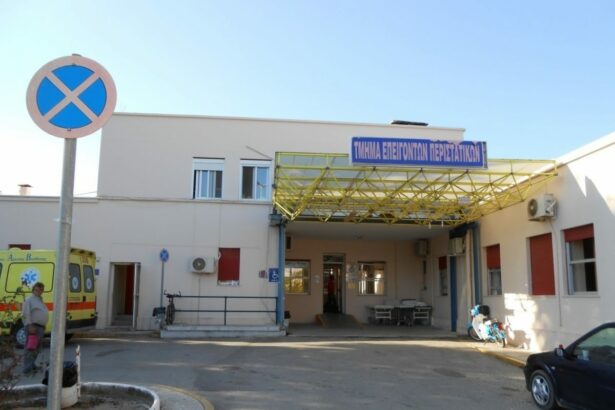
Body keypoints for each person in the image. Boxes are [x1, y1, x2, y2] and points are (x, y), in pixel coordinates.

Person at [22, 281, 49, 374]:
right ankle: (27, 368)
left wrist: (43, 324)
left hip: (39, 327)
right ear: (33, 290)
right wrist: (30, 325)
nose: (39, 291)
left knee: (36, 347)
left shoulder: (39, 300)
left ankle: (32, 364)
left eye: (41, 290)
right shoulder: (29, 299)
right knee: (30, 348)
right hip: (33, 327)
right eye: (37, 289)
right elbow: (26, 313)